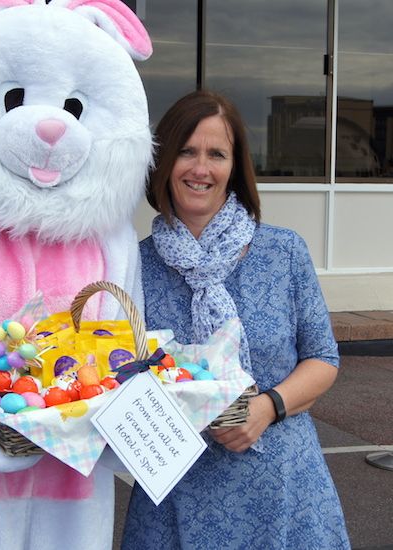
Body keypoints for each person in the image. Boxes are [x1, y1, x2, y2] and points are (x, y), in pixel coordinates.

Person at [121, 90, 351, 549]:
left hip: (282, 483)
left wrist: (265, 409)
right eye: (186, 151)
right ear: (162, 162)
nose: (200, 168)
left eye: (216, 154)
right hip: (175, 488)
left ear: (235, 167)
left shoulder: (284, 252)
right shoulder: (134, 264)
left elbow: (323, 358)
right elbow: (118, 370)